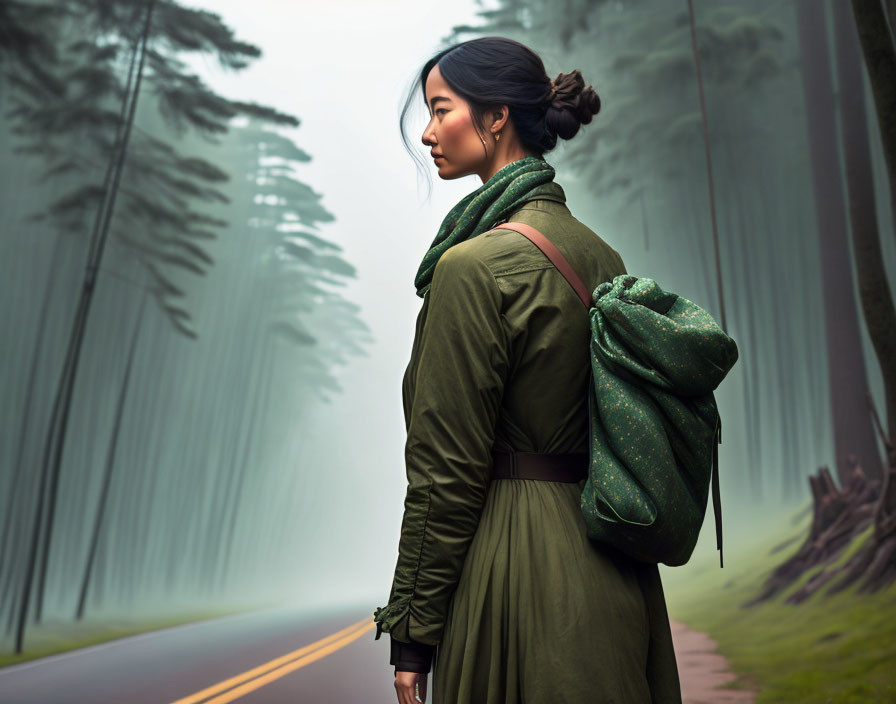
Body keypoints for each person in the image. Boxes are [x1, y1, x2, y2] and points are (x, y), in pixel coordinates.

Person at [373, 36, 683, 704]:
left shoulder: (470, 269)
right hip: (617, 578)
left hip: (515, 580)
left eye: (441, 108)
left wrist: (412, 632)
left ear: (496, 118)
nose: (428, 133)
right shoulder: (602, 256)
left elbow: (445, 472)